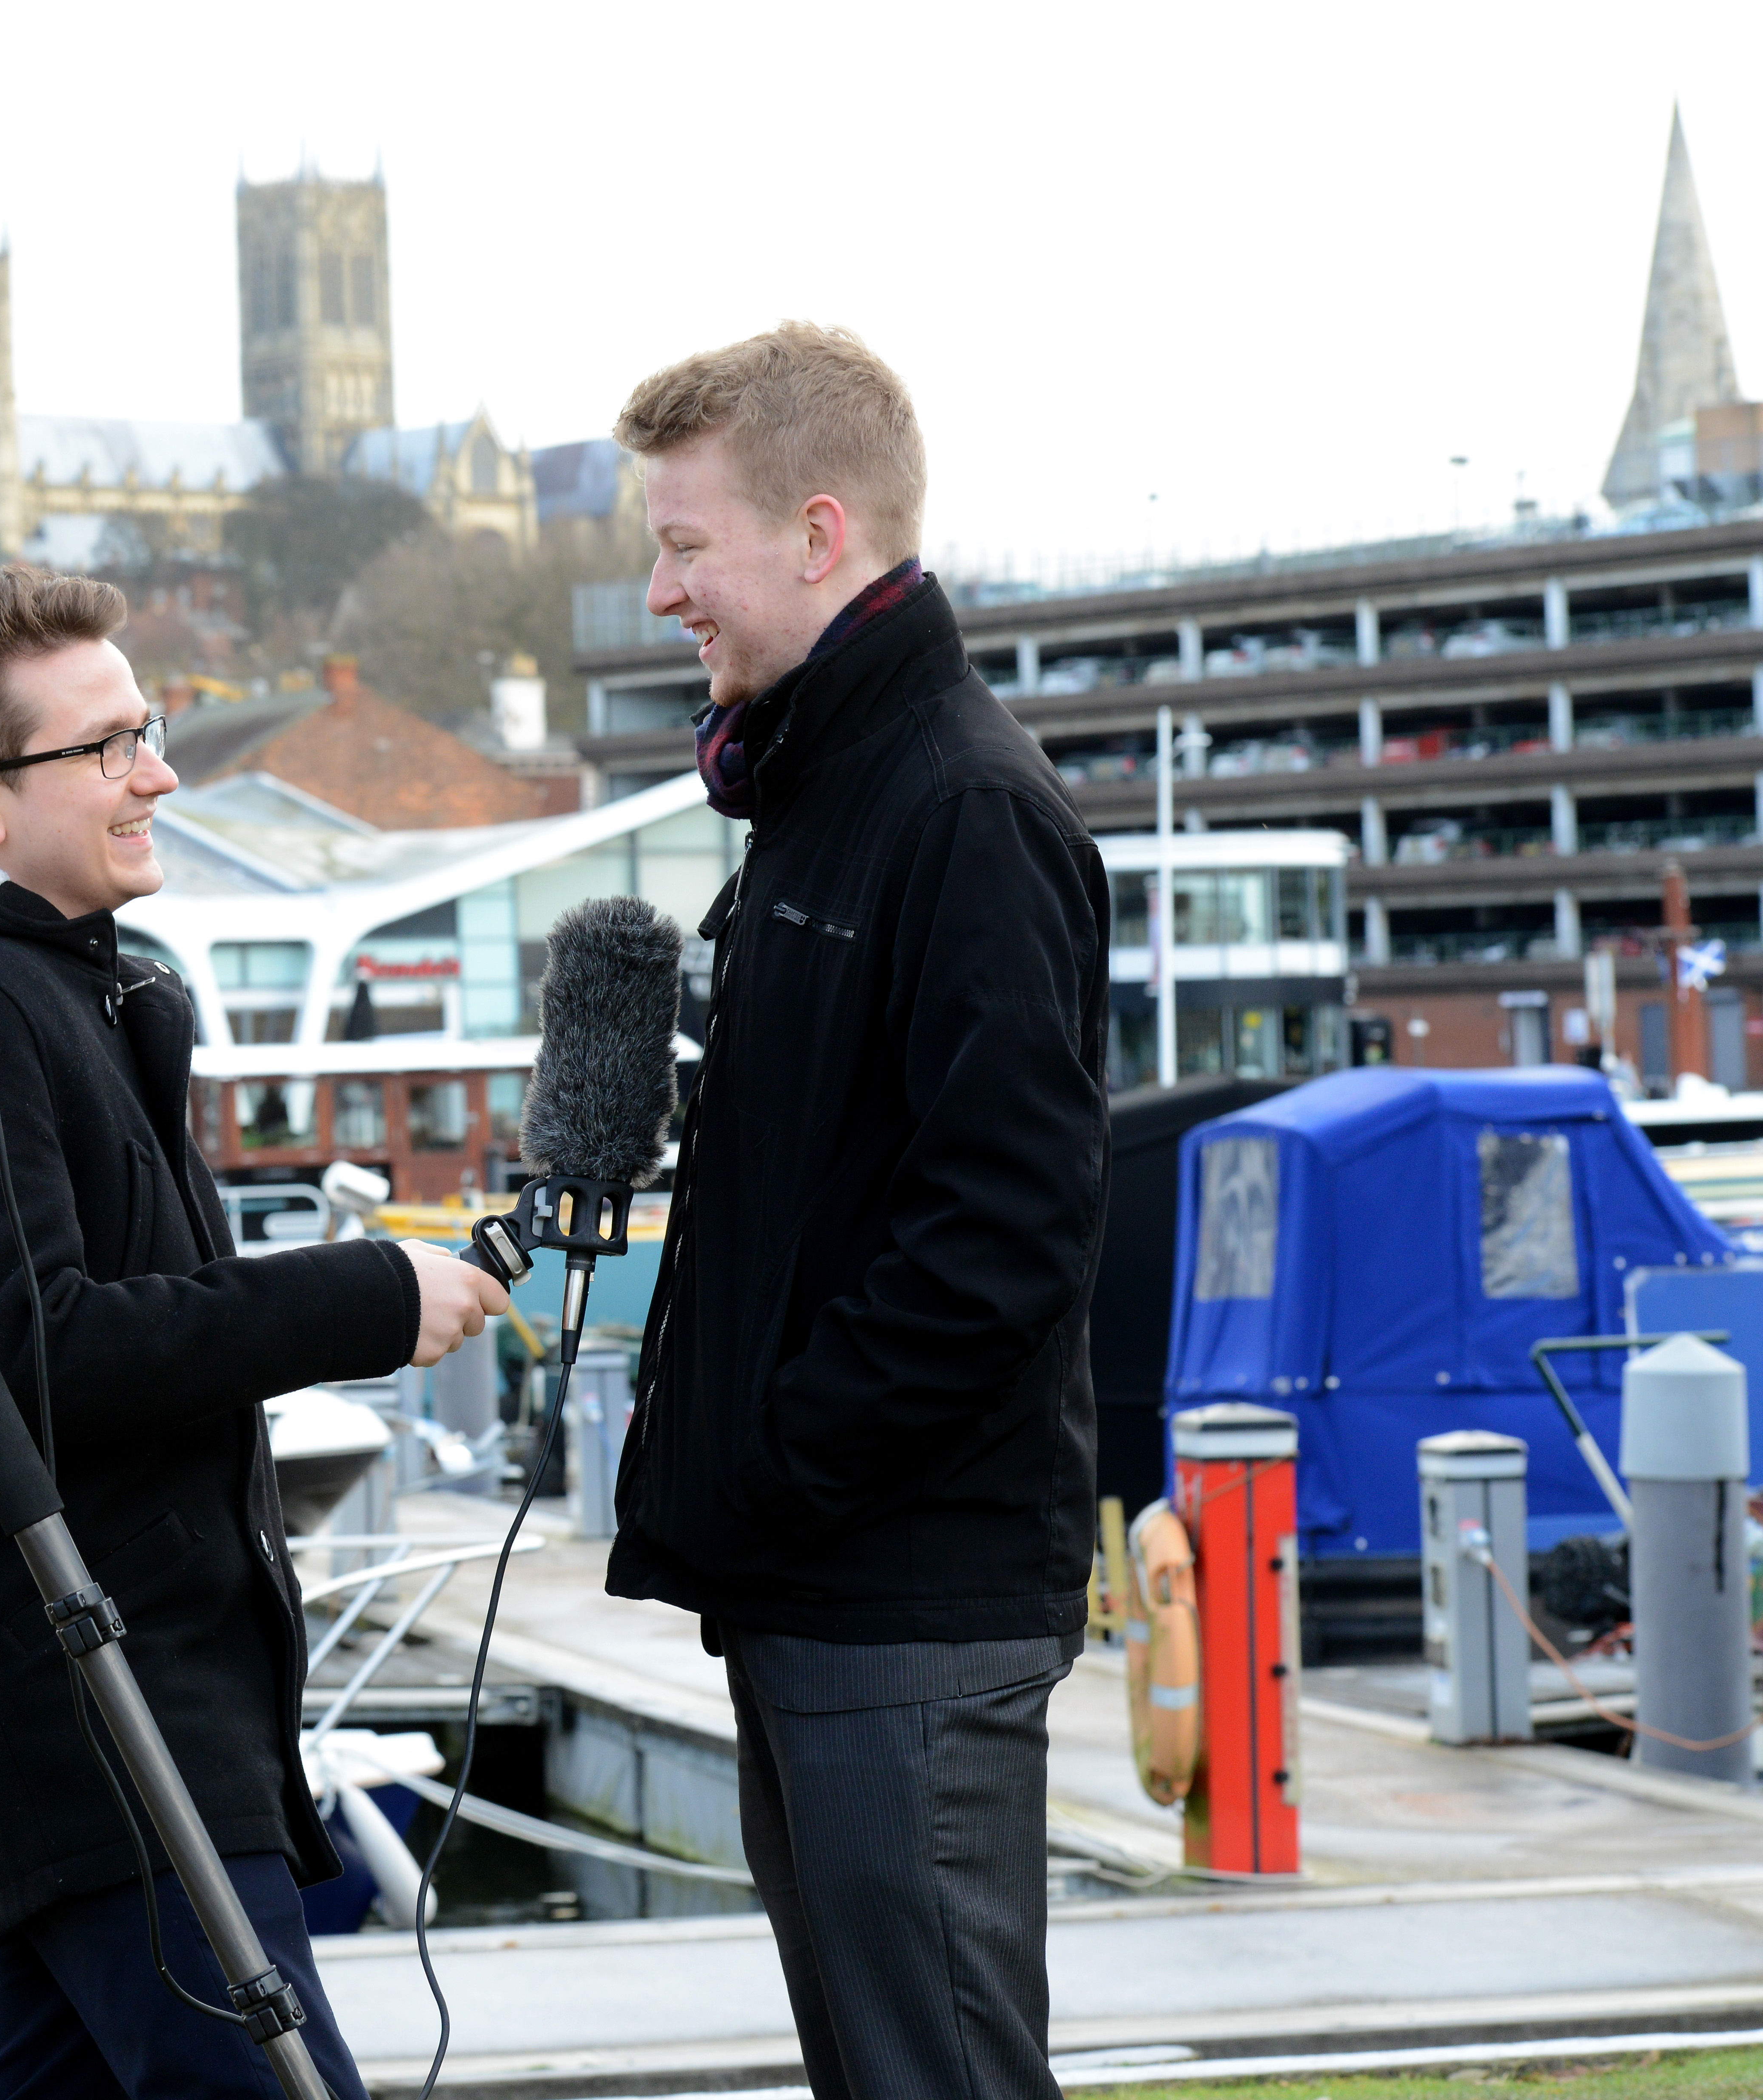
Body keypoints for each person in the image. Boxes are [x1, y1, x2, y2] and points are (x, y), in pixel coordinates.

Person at [0, 566, 513, 2100]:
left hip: (121, 1713)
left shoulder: (63, 987)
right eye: (112, 747)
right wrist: (370, 1296)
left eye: (152, 728)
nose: (161, 774)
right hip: (102, 1726)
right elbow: (41, 1353)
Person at [599, 326, 1111, 2100]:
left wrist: (771, 1462)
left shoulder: (959, 806)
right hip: (818, 1585)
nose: (659, 588)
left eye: (684, 544)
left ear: (818, 536)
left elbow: (1005, 1233)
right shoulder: (816, 795)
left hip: (901, 1595)